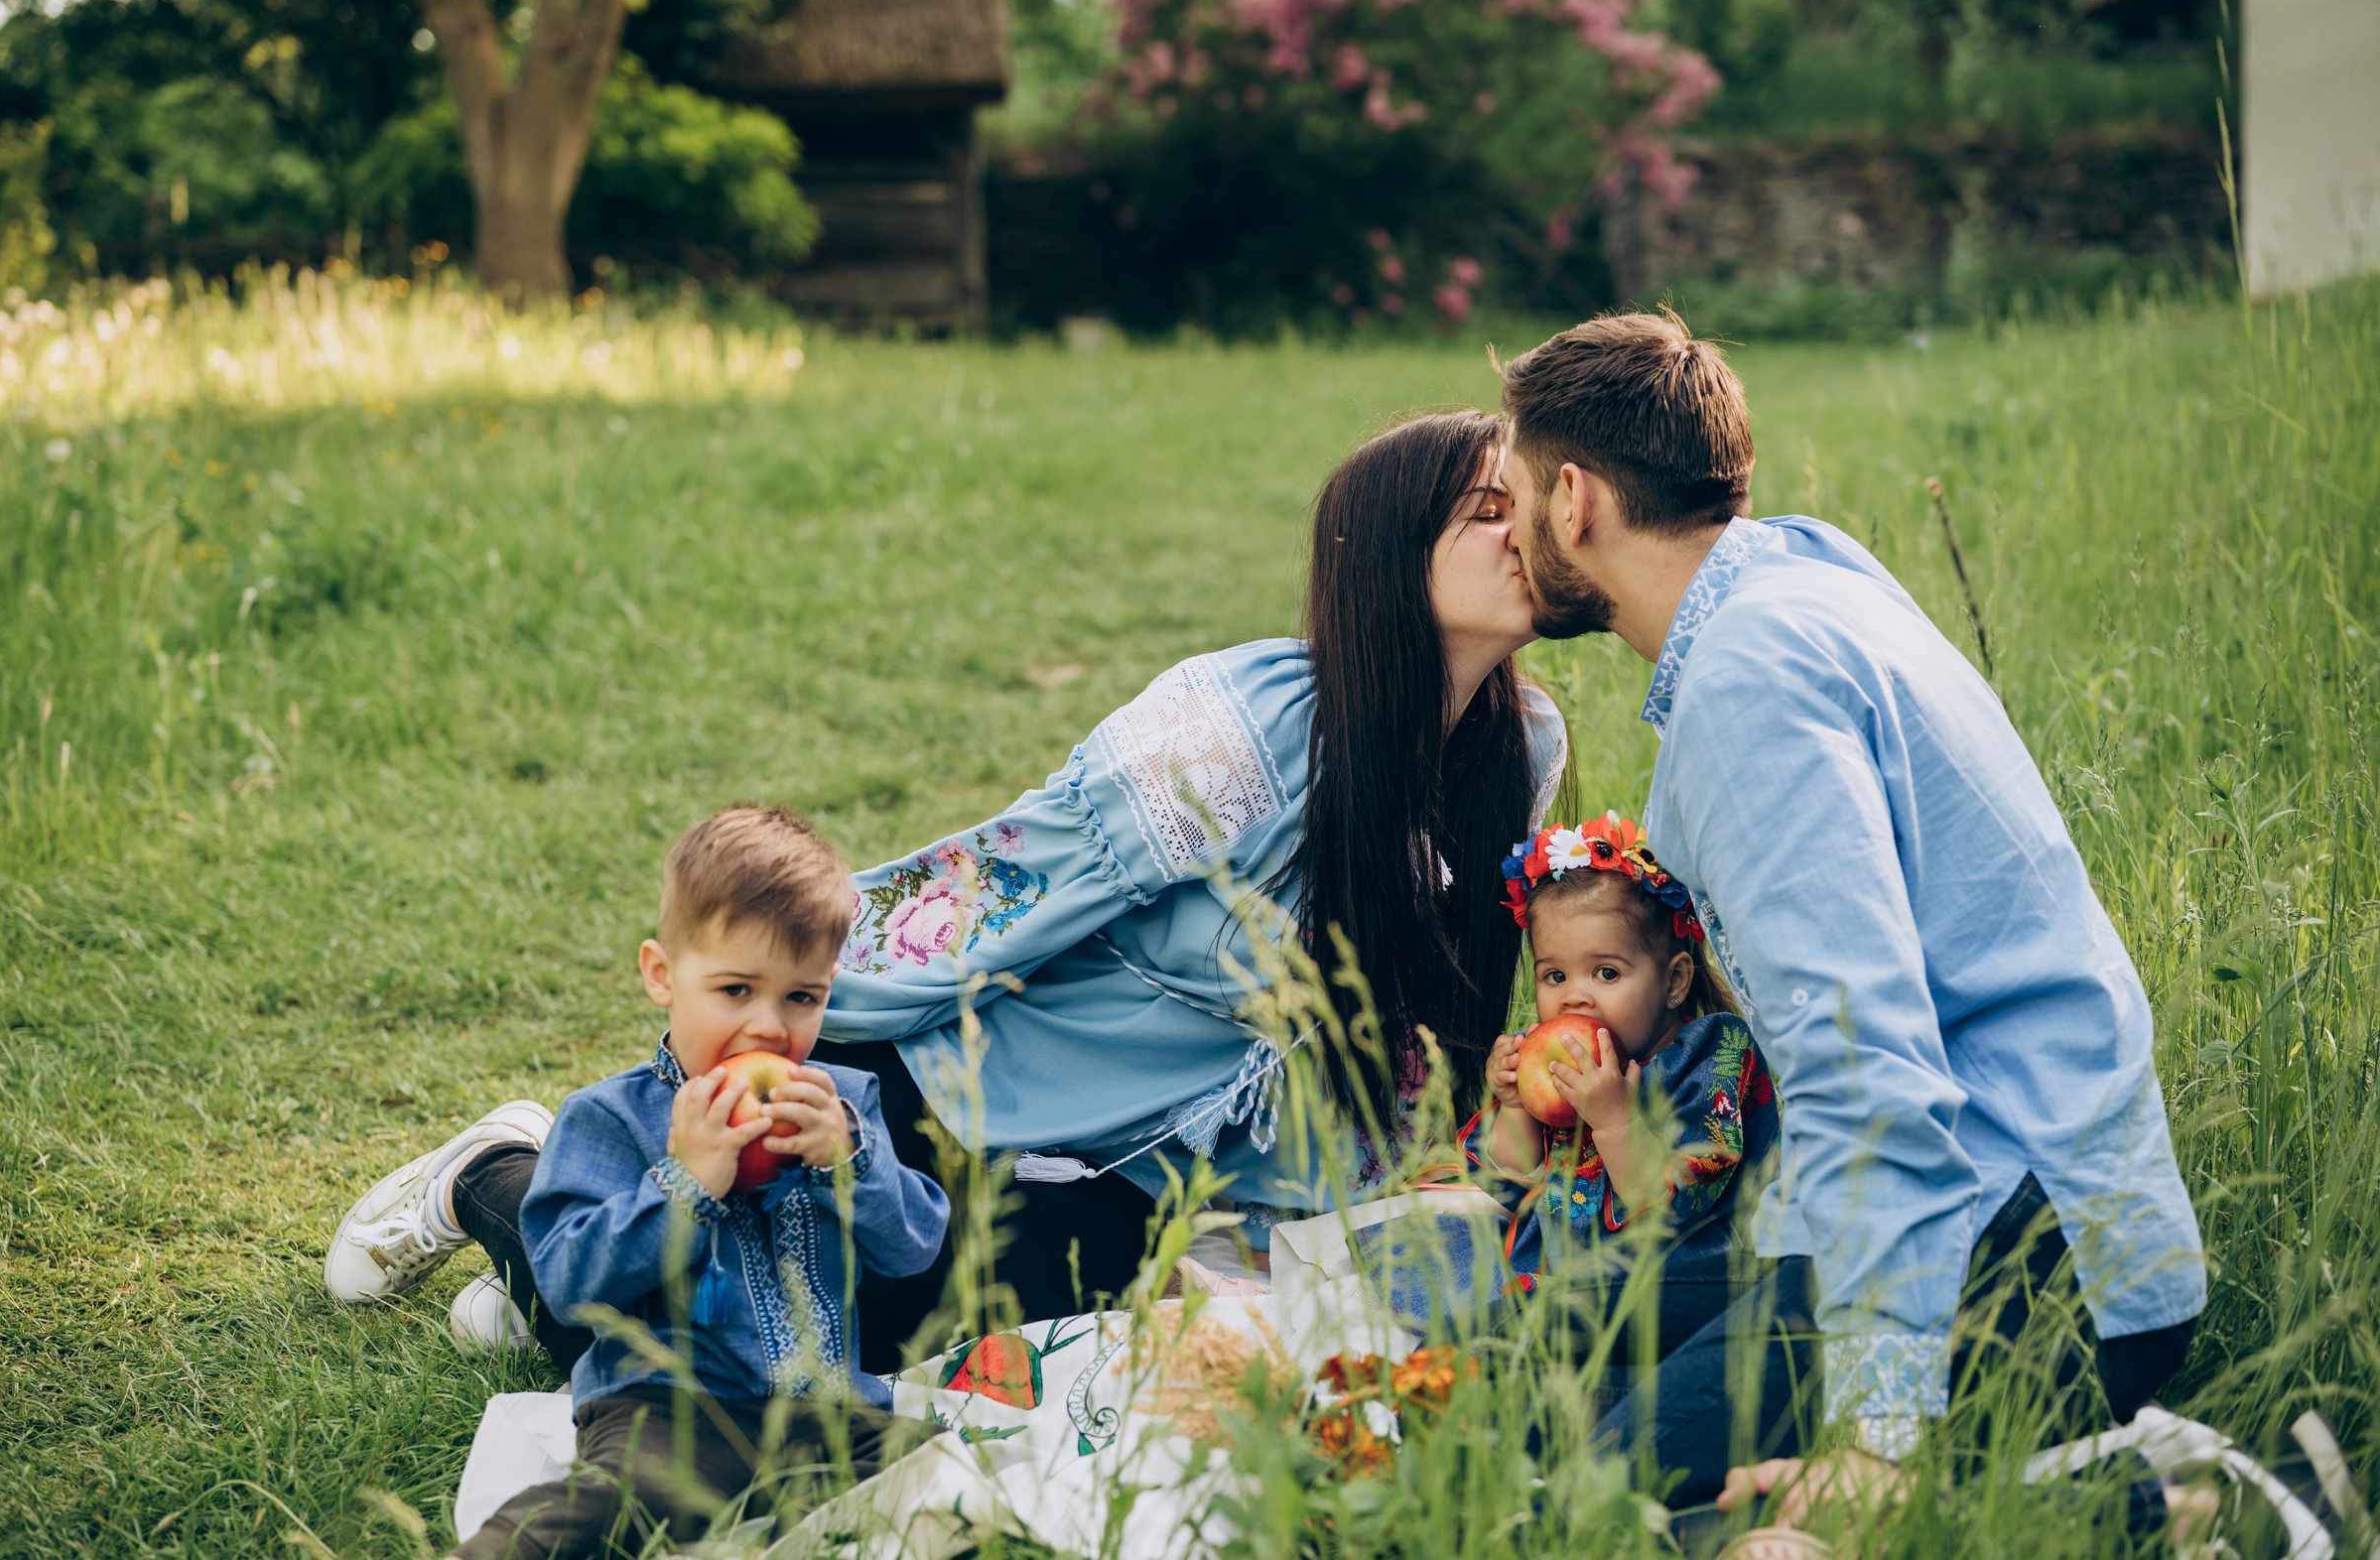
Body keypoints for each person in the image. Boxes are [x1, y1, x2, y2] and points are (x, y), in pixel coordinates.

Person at [324, 411, 1571, 1376]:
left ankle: (552, 1272)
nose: (1526, 531)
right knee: (742, 1327)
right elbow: (996, 885)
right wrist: (771, 1021)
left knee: (919, 1364)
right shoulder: (1242, 726)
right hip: (950, 1094)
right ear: (1385, 547)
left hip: (1130, 1179)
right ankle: (502, 1171)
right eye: (1484, 509)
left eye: (1530, 506)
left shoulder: (1524, 750)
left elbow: (1406, 1033)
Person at [1494, 312, 2205, 1538]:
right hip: (1983, 1198)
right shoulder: (1800, 573)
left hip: (2024, 1251)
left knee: (1591, 1515)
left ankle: (2158, 1508)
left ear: (1573, 501)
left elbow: (1868, 1067)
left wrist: (1880, 1438)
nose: (1506, 531)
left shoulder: (1747, 688)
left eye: (1506, 500)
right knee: (1540, 1370)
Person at [430, 807, 948, 1560]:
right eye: (736, 990)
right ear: (662, 975)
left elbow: (914, 1249)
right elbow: (573, 1281)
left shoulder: (844, 1107)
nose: (770, 1027)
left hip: (831, 1414)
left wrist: (853, 1163)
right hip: (673, 1413)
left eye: (801, 997)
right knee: (613, 1508)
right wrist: (686, 1183)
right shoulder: (612, 1118)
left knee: (950, 1483)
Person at [1466, 811, 1778, 1355]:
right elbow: (1506, 1183)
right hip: (1559, 1272)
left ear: (1674, 980)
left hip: (1671, 1289)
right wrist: (1515, 1105)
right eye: (1553, 975)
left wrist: (1616, 1118)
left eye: (1606, 973)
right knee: (1465, 1318)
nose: (1574, 998)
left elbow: (1672, 1205)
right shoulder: (1558, 1059)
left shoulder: (1709, 1054)